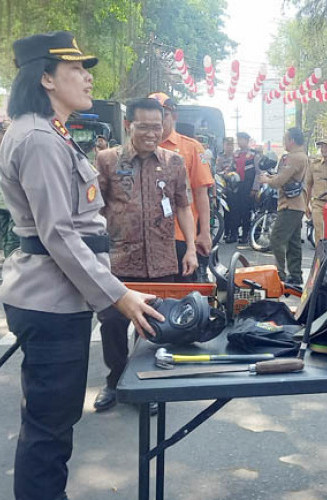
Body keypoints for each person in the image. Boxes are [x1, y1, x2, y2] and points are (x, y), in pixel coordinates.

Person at [0, 31, 161, 500]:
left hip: (56, 294)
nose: (88, 77)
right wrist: (119, 294)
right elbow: (59, 234)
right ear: (47, 78)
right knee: (49, 426)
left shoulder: (46, 131)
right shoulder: (38, 138)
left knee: (53, 421)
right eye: (76, 69)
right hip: (51, 299)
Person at [93, 98, 198, 414]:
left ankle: (146, 385)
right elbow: (94, 209)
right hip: (118, 262)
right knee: (111, 324)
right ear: (128, 125)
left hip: (162, 262)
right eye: (144, 126)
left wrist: (191, 247)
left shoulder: (174, 162)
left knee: (155, 328)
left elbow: (183, 205)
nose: (152, 132)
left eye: (158, 126)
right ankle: (114, 381)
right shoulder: (106, 160)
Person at [148, 92, 213, 280]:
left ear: (174, 116)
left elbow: (201, 194)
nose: (158, 121)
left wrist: (204, 233)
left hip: (181, 236)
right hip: (146, 239)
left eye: (163, 115)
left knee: (182, 295)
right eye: (152, 116)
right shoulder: (138, 149)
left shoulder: (191, 148)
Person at [261, 127, 308, 284]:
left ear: (292, 141)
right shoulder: (300, 156)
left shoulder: (295, 157)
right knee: (293, 243)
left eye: (285, 139)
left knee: (276, 238)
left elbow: (279, 182)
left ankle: (279, 274)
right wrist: (273, 177)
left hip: (289, 205)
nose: (284, 143)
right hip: (295, 205)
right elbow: (284, 177)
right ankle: (295, 275)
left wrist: (267, 180)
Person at [229, 131, 262, 246]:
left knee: (246, 212)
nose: (239, 142)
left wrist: (255, 188)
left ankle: (245, 235)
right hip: (236, 186)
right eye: (238, 139)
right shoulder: (236, 154)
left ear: (247, 141)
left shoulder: (254, 154)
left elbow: (258, 173)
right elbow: (232, 168)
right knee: (234, 211)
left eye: (241, 139)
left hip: (248, 187)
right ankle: (233, 234)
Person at [0, 119, 20, 259]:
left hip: (13, 205)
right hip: (3, 206)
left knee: (12, 242)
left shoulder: (12, 148)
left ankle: (10, 265)